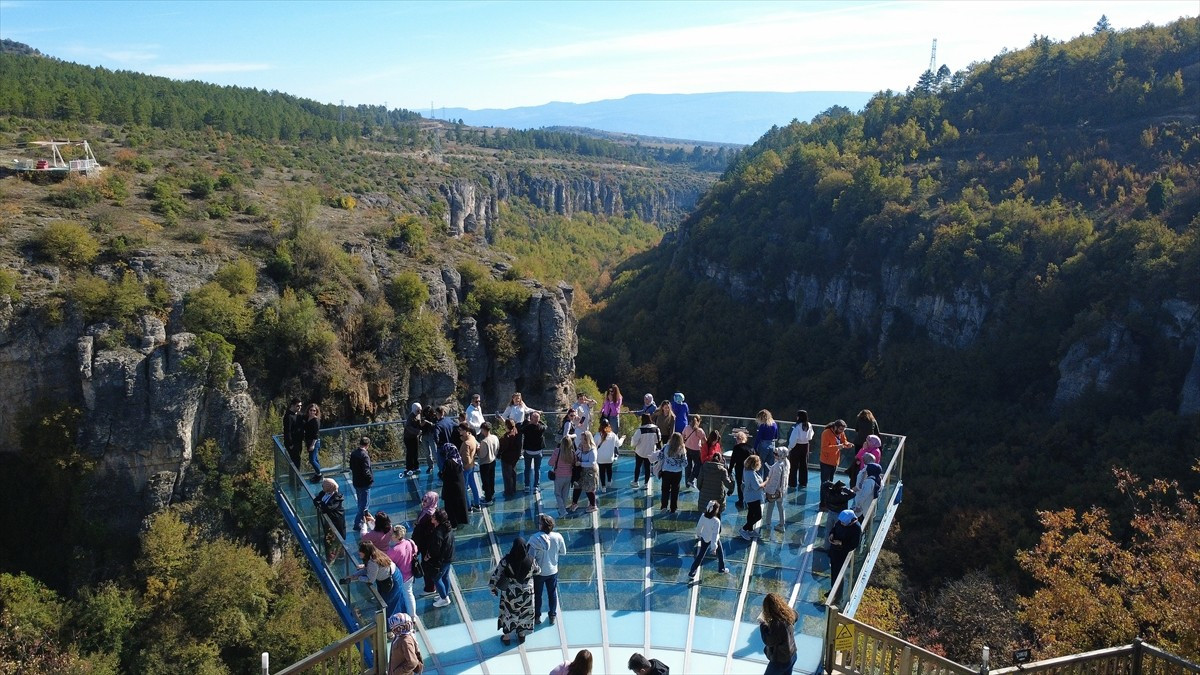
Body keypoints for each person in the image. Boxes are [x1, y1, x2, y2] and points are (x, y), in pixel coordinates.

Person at [490, 536, 540, 644]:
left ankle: (507, 637)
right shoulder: (531, 560)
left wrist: (493, 587)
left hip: (511, 592)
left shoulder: (506, 560)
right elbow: (538, 571)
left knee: (509, 613)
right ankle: (521, 635)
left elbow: (496, 574)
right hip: (527, 592)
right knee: (525, 613)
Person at [348, 540, 402, 618]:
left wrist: (358, 578)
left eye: (360, 551)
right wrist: (354, 575)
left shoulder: (373, 562)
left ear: (366, 552)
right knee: (384, 600)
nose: (358, 552)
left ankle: (388, 625)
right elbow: (369, 569)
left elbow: (370, 580)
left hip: (391, 581)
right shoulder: (375, 554)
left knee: (387, 604)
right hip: (390, 575)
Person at [529, 514, 566, 625]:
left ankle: (537, 617)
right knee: (552, 593)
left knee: (538, 595)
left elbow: (530, 556)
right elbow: (563, 552)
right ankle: (552, 616)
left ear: (541, 526)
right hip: (553, 571)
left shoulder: (534, 538)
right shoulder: (558, 536)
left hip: (539, 572)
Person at [688, 499, 730, 582]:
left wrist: (699, 534)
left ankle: (692, 572)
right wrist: (713, 547)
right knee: (720, 553)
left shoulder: (703, 516)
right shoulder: (716, 521)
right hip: (713, 539)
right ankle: (721, 568)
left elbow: (699, 526)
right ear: (715, 510)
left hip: (704, 537)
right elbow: (715, 535)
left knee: (700, 555)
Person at [759, 593, 798, 674]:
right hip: (792, 655)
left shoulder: (777, 624)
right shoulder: (789, 614)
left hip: (781, 660)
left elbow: (769, 641)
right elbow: (796, 616)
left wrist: (763, 624)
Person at [386, 523, 419, 617]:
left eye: (392, 534)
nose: (390, 535)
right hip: (410, 573)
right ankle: (413, 614)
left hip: (401, 576)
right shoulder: (410, 542)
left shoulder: (395, 550)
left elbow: (385, 561)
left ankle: (410, 615)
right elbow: (415, 551)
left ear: (396, 536)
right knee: (409, 594)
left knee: (404, 595)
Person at [425, 509, 456, 608]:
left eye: (434, 516)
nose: (432, 517)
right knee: (445, 576)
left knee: (436, 578)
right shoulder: (447, 527)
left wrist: (428, 556)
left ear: (437, 519)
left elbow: (435, 549)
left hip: (442, 560)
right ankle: (444, 595)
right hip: (449, 557)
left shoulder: (438, 532)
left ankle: (444, 598)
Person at [314, 477, 345, 563]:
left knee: (336, 539)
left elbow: (329, 507)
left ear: (329, 487)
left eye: (323, 485)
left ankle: (339, 555)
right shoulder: (323, 493)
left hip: (336, 521)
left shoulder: (337, 497)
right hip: (327, 521)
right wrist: (320, 504)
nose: (322, 487)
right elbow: (316, 500)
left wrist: (321, 504)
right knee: (328, 540)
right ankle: (330, 557)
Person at [439, 443, 470, 527]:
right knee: (459, 505)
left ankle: (453, 524)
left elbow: (445, 476)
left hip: (451, 488)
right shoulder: (458, 460)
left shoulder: (448, 462)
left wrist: (440, 474)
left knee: (451, 507)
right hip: (460, 486)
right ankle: (461, 521)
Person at [827, 509, 862, 584]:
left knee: (839, 574)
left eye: (843, 522)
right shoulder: (841, 521)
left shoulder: (856, 528)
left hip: (842, 554)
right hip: (834, 551)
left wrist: (840, 543)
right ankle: (832, 588)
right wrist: (831, 534)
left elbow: (854, 544)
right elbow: (834, 528)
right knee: (834, 572)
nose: (842, 523)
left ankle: (837, 592)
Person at [569, 430, 599, 513]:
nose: (581, 441)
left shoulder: (592, 450)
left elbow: (592, 463)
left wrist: (581, 463)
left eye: (583, 439)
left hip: (590, 471)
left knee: (589, 488)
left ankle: (593, 505)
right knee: (577, 485)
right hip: (580, 470)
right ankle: (574, 503)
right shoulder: (581, 446)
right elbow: (577, 453)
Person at [761, 447, 790, 532]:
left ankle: (768, 524)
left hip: (775, 490)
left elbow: (775, 480)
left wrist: (767, 489)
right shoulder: (786, 462)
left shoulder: (777, 466)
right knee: (780, 506)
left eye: (776, 454)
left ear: (780, 455)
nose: (774, 455)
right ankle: (781, 524)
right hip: (782, 490)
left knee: (770, 507)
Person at [658, 432, 688, 514]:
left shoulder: (666, 447)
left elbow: (659, 457)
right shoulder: (682, 449)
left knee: (665, 489)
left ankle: (664, 506)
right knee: (675, 490)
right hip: (677, 472)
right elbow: (685, 463)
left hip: (666, 471)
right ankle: (673, 508)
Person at [850, 410, 880, 490]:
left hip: (859, 442)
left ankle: (856, 477)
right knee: (869, 459)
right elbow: (877, 431)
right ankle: (866, 475)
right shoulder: (873, 421)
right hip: (870, 444)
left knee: (858, 459)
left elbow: (856, 429)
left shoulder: (859, 420)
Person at [350, 436, 375, 532]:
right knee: (364, 504)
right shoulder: (364, 456)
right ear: (367, 445)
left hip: (356, 481)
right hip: (364, 484)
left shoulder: (354, 453)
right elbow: (366, 471)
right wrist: (371, 480)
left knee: (360, 501)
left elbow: (352, 467)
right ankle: (358, 523)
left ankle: (364, 518)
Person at [630, 414, 660, 488]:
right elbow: (658, 440)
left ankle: (635, 482)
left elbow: (634, 442)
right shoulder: (656, 429)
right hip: (650, 452)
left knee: (638, 466)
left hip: (640, 452)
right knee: (648, 468)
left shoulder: (640, 430)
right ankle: (646, 484)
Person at [403, 402, 433, 476]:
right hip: (409, 437)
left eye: (420, 410)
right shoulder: (410, 417)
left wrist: (421, 425)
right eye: (418, 410)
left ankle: (416, 466)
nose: (419, 412)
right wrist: (417, 431)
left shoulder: (418, 415)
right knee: (410, 452)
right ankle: (409, 467)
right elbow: (408, 427)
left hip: (415, 437)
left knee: (415, 452)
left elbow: (418, 423)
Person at [820, 419, 854, 485]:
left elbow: (844, 442)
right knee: (825, 483)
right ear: (835, 427)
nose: (842, 432)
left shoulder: (841, 433)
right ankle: (823, 495)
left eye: (843, 430)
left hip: (835, 461)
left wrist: (848, 444)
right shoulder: (826, 433)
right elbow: (824, 448)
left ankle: (829, 495)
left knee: (831, 482)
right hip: (826, 462)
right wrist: (837, 447)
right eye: (840, 429)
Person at [521, 411, 547, 494]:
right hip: (538, 452)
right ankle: (536, 486)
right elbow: (545, 426)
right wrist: (539, 420)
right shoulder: (540, 428)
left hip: (528, 451)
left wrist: (527, 420)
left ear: (531, 419)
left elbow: (521, 429)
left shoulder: (527, 428)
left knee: (527, 469)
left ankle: (527, 486)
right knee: (537, 469)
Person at [786, 410, 813, 489]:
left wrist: (790, 448)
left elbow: (793, 439)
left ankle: (792, 483)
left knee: (793, 465)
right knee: (804, 465)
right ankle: (803, 482)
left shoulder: (797, 426)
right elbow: (810, 436)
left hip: (796, 447)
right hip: (805, 446)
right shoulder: (809, 425)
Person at [549, 436, 576, 517]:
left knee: (557, 494)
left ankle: (563, 511)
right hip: (569, 476)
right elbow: (575, 463)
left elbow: (550, 463)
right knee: (565, 494)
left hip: (559, 476)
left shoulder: (557, 451)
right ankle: (562, 510)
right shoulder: (572, 452)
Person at [740, 455, 765, 540]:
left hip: (749, 496)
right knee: (758, 515)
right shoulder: (751, 474)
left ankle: (750, 530)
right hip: (753, 498)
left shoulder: (746, 470)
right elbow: (757, 486)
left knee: (751, 513)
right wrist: (766, 482)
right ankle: (744, 529)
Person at [594, 419, 621, 493]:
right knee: (609, 469)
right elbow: (618, 444)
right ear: (609, 425)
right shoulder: (612, 435)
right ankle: (609, 481)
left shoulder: (597, 435)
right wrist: (622, 439)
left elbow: (593, 446)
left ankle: (603, 487)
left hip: (600, 458)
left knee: (602, 472)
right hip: (610, 458)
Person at [460, 425, 482, 511]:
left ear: (465, 430)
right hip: (472, 465)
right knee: (473, 484)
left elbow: (465, 457)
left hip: (466, 467)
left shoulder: (466, 444)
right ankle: (477, 503)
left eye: (461, 430)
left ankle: (468, 506)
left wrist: (463, 466)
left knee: (464, 487)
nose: (459, 432)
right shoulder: (472, 438)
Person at [499, 418, 523, 498]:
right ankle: (513, 489)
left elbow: (503, 448)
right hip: (514, 457)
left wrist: (499, 454)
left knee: (507, 476)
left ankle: (508, 491)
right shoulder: (516, 432)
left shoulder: (507, 436)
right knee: (513, 473)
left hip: (506, 458)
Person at [753, 409, 780, 477]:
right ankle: (767, 483)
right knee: (769, 466)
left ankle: (759, 481)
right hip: (772, 445)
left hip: (763, 445)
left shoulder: (763, 426)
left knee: (759, 465)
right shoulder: (774, 424)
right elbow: (776, 436)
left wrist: (755, 448)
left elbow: (758, 438)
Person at [477, 422, 499, 505]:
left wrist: (478, 449)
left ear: (484, 430)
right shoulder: (495, 437)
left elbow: (482, 455)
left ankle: (488, 498)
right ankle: (492, 494)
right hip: (493, 460)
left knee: (485, 481)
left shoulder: (484, 441)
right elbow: (497, 448)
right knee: (491, 479)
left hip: (485, 463)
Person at [682, 415, 705, 489]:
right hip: (696, 450)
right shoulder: (699, 431)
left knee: (688, 466)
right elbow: (705, 440)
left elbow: (683, 436)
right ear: (698, 421)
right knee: (698, 465)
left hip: (687, 448)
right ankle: (691, 479)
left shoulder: (687, 428)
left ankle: (687, 483)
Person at [730, 430, 752, 508]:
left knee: (740, 485)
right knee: (748, 485)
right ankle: (748, 500)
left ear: (737, 439)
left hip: (739, 468)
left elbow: (732, 460)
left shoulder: (736, 448)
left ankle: (741, 500)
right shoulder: (750, 448)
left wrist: (729, 471)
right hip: (749, 469)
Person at [283, 397, 304, 469]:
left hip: (298, 442)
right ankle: (295, 479)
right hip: (292, 443)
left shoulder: (298, 414)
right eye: (297, 406)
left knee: (297, 461)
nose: (299, 407)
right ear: (292, 405)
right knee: (295, 462)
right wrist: (290, 444)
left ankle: (296, 478)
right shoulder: (288, 416)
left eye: (300, 406)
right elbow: (287, 431)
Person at [303, 403, 323, 481]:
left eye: (314, 410)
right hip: (308, 441)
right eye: (310, 410)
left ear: (316, 412)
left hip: (314, 442)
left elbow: (316, 434)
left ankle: (319, 474)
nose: (312, 412)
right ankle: (318, 473)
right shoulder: (307, 418)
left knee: (312, 460)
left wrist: (312, 445)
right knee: (315, 458)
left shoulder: (316, 421)